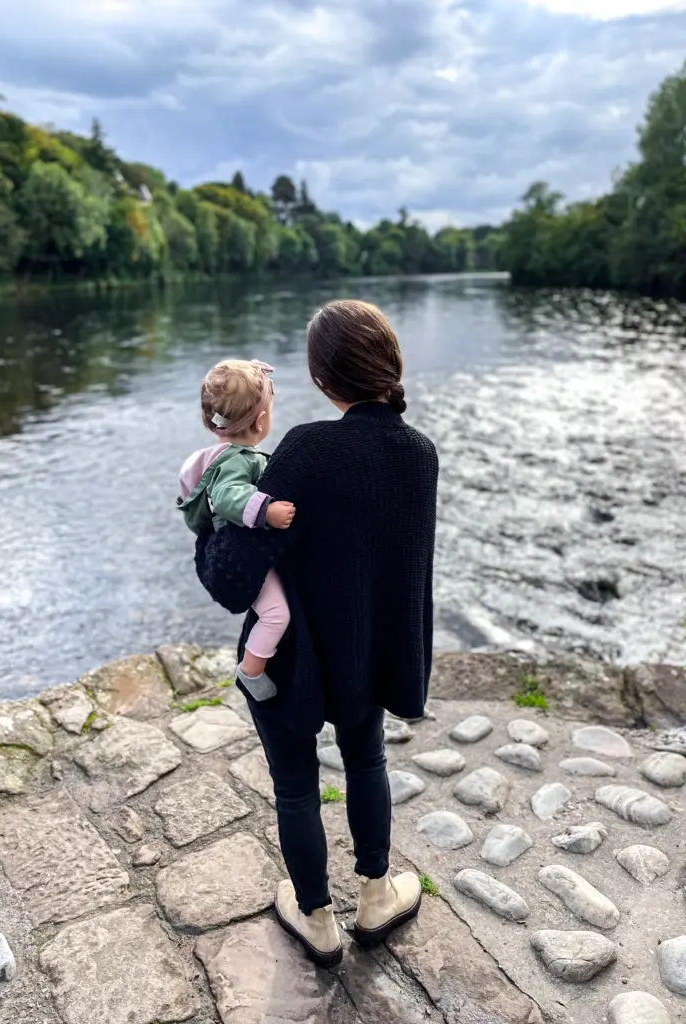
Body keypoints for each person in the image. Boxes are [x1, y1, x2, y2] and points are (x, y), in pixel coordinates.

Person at [194, 299, 439, 967]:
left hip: (293, 663)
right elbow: (403, 573)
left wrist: (205, 523)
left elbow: (232, 580)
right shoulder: (420, 454)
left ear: (322, 379)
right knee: (367, 763)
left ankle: (317, 920)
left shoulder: (304, 449)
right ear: (388, 366)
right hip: (369, 661)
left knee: (297, 785)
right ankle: (376, 895)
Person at [178, 359, 296, 701]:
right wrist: (267, 512)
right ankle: (250, 672)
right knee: (276, 614)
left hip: (241, 548)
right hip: (238, 553)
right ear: (262, 420)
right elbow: (228, 497)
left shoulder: (223, 455)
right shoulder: (235, 460)